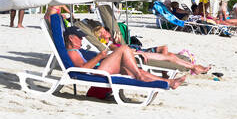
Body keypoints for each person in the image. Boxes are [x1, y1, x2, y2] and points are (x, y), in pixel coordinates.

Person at [82, 19, 212, 74]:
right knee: (169, 56)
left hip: (134, 53)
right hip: (135, 56)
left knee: (170, 56)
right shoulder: (109, 47)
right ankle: (194, 67)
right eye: (103, 32)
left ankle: (194, 67)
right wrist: (136, 53)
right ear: (100, 37)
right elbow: (121, 50)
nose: (106, 31)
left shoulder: (111, 42)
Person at [64, 29, 185, 87]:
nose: (81, 39)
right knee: (123, 49)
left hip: (99, 68)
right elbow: (83, 69)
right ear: (70, 38)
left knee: (136, 70)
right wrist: (100, 56)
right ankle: (139, 76)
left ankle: (170, 82)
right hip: (96, 73)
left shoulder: (76, 50)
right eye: (79, 37)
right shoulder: (72, 52)